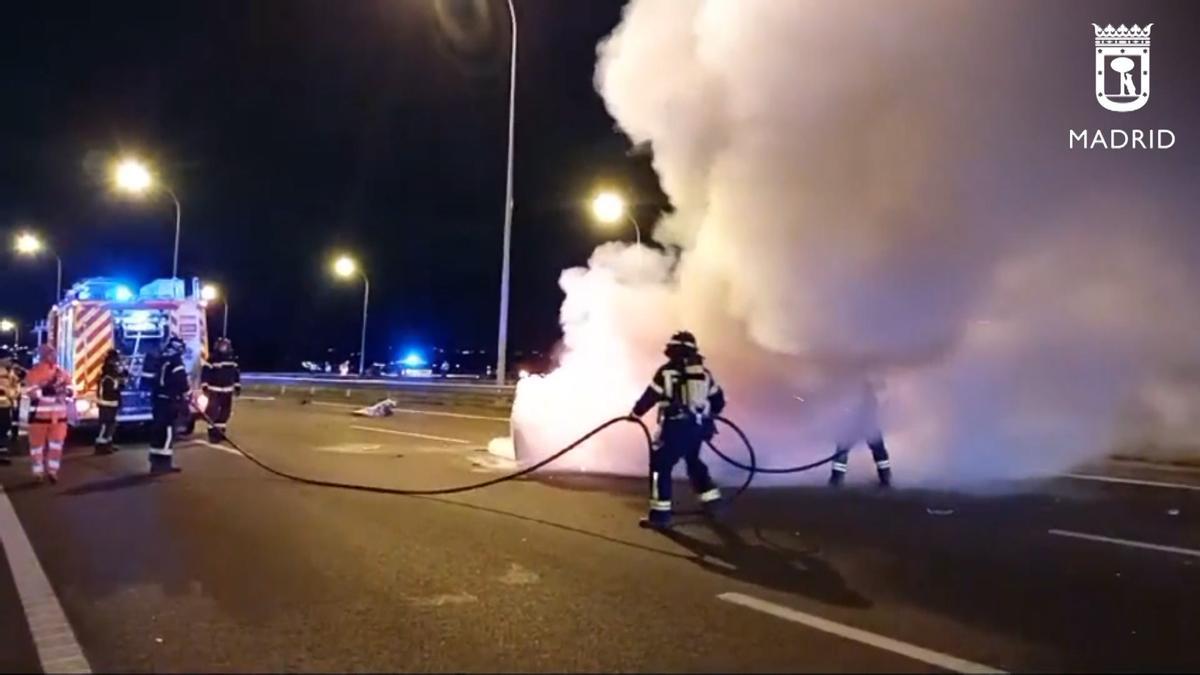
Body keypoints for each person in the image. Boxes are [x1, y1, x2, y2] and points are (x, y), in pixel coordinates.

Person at [630, 331, 726, 530]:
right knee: (693, 462)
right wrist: (708, 417)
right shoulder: (703, 374)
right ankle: (713, 502)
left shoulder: (666, 372)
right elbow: (718, 400)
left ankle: (660, 516)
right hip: (697, 429)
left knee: (660, 467)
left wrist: (635, 414)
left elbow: (651, 396)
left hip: (674, 428)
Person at [828, 378, 892, 488]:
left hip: (866, 425)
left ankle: (836, 481)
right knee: (843, 451)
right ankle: (885, 479)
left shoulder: (867, 395)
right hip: (859, 425)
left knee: (877, 451)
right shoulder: (861, 393)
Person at [22, 344, 72, 483]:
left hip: (58, 418)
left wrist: (68, 392)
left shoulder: (61, 372)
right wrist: (46, 391)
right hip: (40, 417)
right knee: (37, 447)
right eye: (51, 354)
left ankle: (52, 471)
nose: (54, 356)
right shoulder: (34, 372)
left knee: (56, 446)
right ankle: (38, 472)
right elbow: (31, 393)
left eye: (54, 353)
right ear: (44, 356)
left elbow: (71, 389)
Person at [149, 336, 189, 474]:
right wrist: (186, 393)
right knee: (167, 433)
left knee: (158, 432)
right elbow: (181, 381)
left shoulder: (160, 360)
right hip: (168, 403)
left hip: (158, 401)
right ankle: (164, 465)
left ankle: (155, 464)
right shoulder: (175, 362)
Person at [201, 337, 241, 442]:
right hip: (214, 389)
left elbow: (235, 373)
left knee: (225, 412)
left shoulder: (232, 360)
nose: (223, 348)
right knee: (212, 411)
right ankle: (212, 433)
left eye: (225, 346)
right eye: (222, 346)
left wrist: (237, 385)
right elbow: (205, 373)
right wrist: (204, 385)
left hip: (227, 390)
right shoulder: (212, 359)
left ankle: (221, 431)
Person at [94, 349, 125, 454]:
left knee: (111, 424)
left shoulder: (112, 372)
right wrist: (119, 385)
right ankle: (100, 446)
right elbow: (110, 389)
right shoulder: (108, 374)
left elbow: (118, 383)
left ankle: (108, 443)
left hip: (112, 403)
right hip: (106, 403)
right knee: (105, 425)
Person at [0, 348, 19, 465]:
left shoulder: (10, 372)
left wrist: (15, 395)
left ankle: (2, 453)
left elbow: (15, 386)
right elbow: (5, 389)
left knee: (4, 428)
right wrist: (11, 394)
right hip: (1, 405)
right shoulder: (3, 374)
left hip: (6, 405)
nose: (9, 361)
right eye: (7, 358)